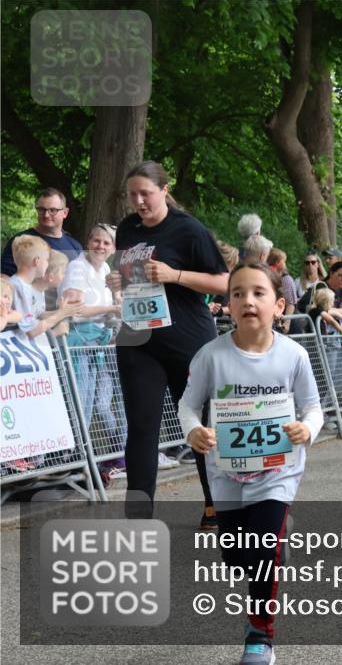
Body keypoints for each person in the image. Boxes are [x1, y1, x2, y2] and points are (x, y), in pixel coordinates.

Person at [179, 262, 322, 665]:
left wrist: (307, 429)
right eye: (238, 293)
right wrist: (194, 431)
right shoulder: (211, 355)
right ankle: (277, 535)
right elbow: (188, 406)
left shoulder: (293, 355)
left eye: (258, 293)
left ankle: (260, 637)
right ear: (227, 304)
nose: (247, 300)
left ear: (279, 305)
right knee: (236, 555)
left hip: (278, 470)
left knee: (261, 551)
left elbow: (313, 407)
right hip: (225, 473)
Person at [106, 160, 229, 523]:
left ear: (164, 189)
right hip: (139, 339)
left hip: (186, 340)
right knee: (142, 428)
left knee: (200, 426)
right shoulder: (127, 230)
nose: (139, 201)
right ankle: (138, 518)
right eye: (133, 195)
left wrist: (175, 274)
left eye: (146, 193)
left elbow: (223, 282)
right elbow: (130, 277)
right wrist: (118, 282)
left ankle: (215, 505)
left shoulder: (188, 229)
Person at [59, 224, 125, 481]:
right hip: (77, 343)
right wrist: (111, 309)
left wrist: (117, 304)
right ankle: (74, 460)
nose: (100, 246)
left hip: (96, 344)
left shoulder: (105, 268)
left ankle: (82, 460)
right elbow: (74, 310)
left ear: (113, 248)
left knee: (89, 403)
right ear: (88, 241)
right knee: (80, 403)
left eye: (106, 243)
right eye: (96, 241)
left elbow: (110, 303)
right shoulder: (78, 267)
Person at [8, 236, 80, 339]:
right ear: (37, 261)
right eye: (46, 260)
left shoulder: (23, 286)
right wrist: (60, 315)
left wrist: (63, 312)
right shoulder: (19, 287)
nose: (48, 264)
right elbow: (31, 331)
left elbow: (37, 315)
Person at [2, 188, 84, 277]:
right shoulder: (22, 241)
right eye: (42, 209)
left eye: (53, 210)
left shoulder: (75, 247)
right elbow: (4, 278)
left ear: (65, 213)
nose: (46, 215)